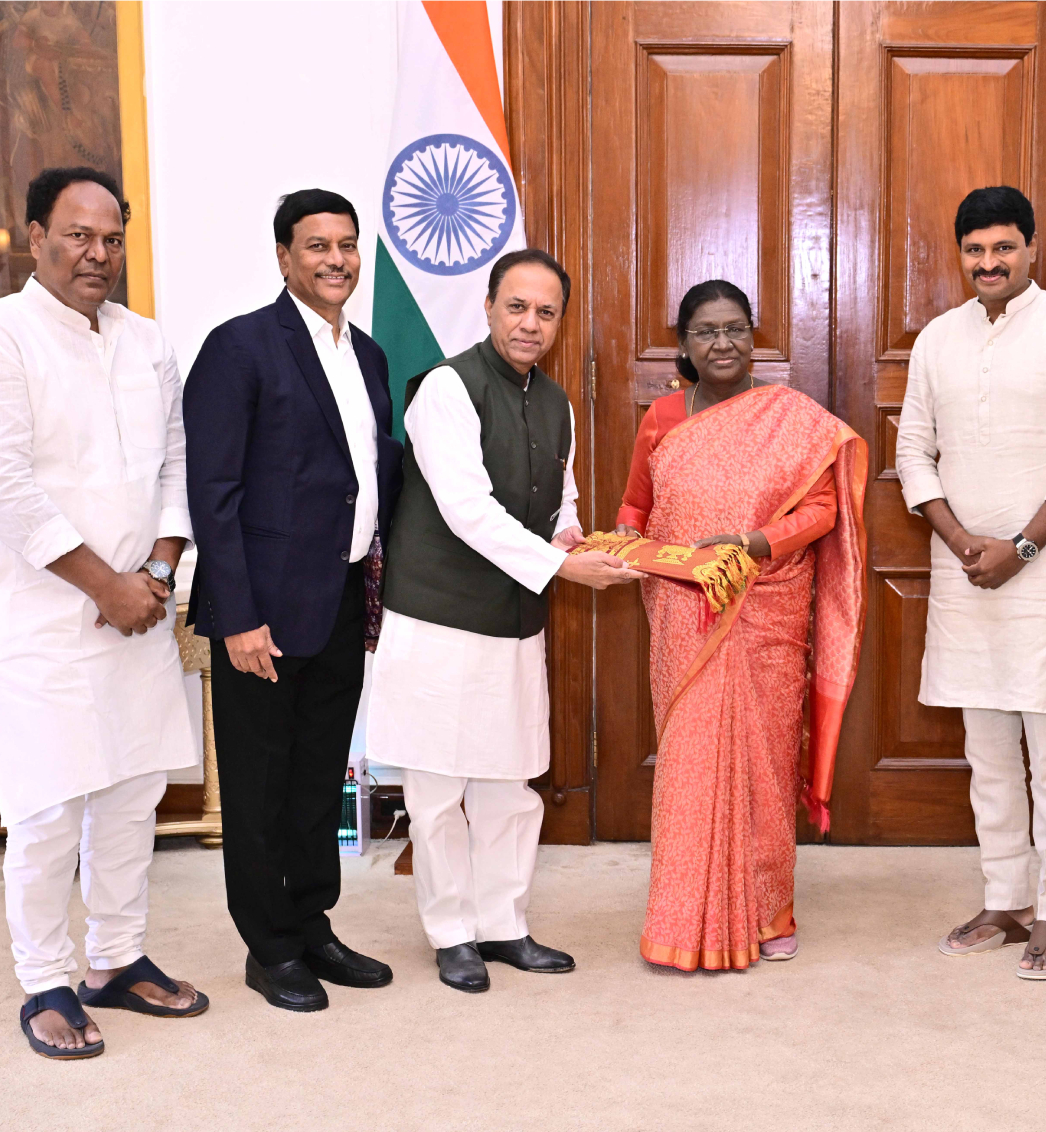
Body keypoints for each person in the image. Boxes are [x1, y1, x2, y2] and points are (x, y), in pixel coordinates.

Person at [367, 249, 637, 992]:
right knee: (437, 791)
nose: (530, 323)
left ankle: (503, 925)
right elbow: (466, 511)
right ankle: (451, 933)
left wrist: (575, 541)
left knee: (510, 785)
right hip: (438, 621)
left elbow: (564, 502)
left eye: (546, 312)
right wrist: (561, 568)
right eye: (517, 306)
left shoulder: (556, 403)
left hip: (515, 624)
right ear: (488, 307)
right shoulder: (445, 389)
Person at [0, 167, 207, 1059]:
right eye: (78, 234)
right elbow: (8, 486)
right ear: (34, 236)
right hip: (49, 616)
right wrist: (103, 585)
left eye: (111, 237)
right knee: (49, 807)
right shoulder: (7, 336)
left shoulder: (147, 340)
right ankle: (42, 978)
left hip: (142, 607)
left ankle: (114, 961)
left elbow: (176, 461)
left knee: (132, 796)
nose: (98, 253)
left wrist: (156, 570)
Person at [184, 190, 403, 1012]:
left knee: (318, 778)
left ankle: (312, 923)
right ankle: (267, 944)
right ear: (284, 257)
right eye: (317, 246)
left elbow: (367, 476)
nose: (336, 260)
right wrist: (237, 615)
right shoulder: (241, 348)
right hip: (263, 613)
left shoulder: (371, 355)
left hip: (342, 598)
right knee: (259, 782)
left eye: (347, 245)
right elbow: (216, 493)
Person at [897, 185, 1046, 981]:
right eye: (975, 250)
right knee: (986, 748)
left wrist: (1020, 547)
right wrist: (961, 542)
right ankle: (1005, 896)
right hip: (965, 575)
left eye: (1004, 248)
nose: (989, 263)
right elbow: (914, 452)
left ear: (1032, 249)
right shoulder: (938, 341)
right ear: (961, 256)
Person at [616, 279, 865, 971]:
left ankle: (769, 910)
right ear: (685, 344)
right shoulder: (664, 416)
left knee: (764, 762)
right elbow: (636, 507)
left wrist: (752, 545)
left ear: (753, 334)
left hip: (767, 607)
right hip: (681, 612)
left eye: (733, 328)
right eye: (705, 331)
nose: (721, 342)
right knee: (690, 764)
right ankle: (679, 916)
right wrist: (624, 547)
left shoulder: (792, 418)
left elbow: (821, 512)